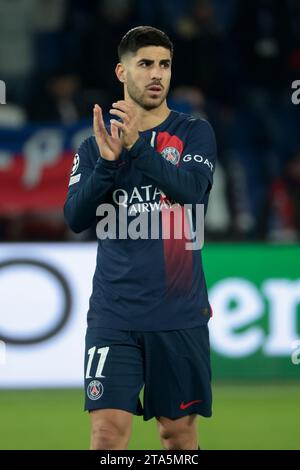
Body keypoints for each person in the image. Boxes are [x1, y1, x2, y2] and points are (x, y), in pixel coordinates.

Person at [64, 25, 217, 450]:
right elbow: (75, 216)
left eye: (164, 64)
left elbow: (190, 191)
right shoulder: (94, 146)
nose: (157, 74)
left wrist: (139, 149)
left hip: (179, 314)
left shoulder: (194, 132)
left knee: (177, 436)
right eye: (145, 63)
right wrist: (108, 166)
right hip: (114, 315)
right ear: (121, 71)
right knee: (107, 437)